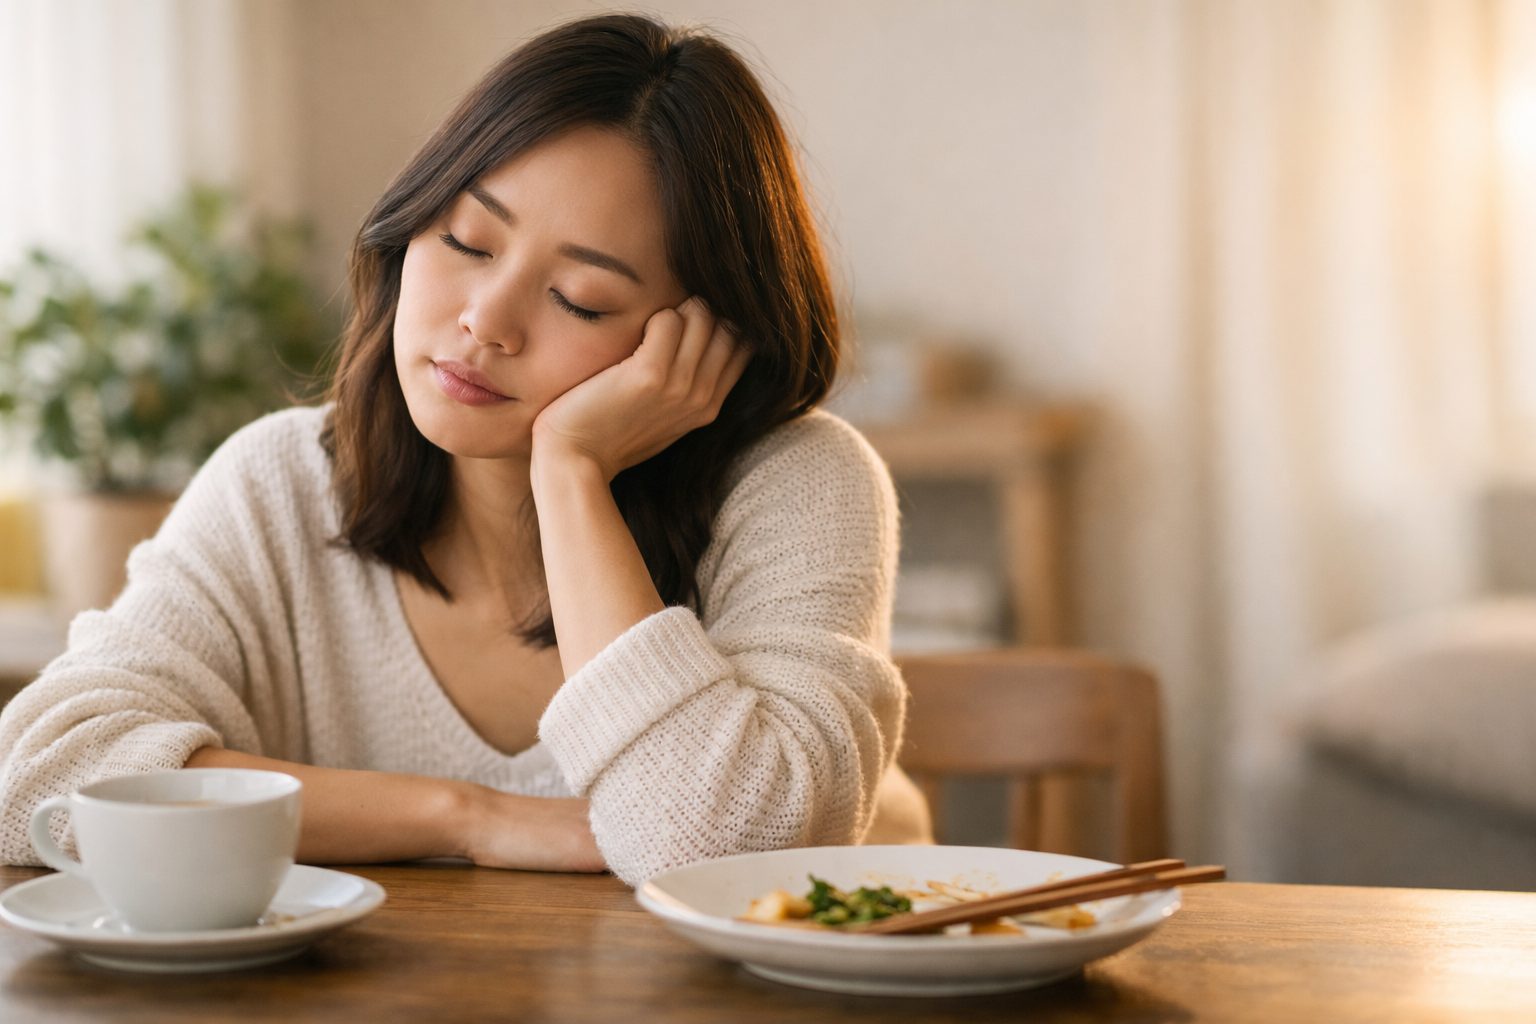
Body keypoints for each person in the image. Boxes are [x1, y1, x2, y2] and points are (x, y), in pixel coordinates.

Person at [0, 13, 931, 886]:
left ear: (704, 339)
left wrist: (571, 471)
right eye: (466, 240)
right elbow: (36, 781)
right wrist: (467, 819)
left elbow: (719, 848)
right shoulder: (280, 483)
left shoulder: (798, 486)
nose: (484, 320)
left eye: (582, 300)